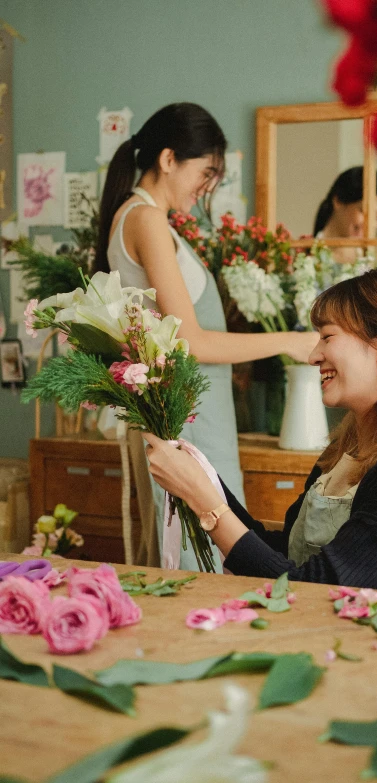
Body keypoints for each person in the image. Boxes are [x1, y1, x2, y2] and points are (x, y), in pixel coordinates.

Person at [144, 268, 377, 594]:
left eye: (327, 336)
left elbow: (315, 589)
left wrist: (208, 507)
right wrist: (198, 480)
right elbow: (289, 553)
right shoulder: (345, 451)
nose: (313, 355)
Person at [94, 102, 317, 570]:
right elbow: (190, 340)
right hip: (192, 419)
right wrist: (288, 341)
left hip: (194, 411)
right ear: (169, 158)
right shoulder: (146, 219)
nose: (209, 186)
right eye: (206, 171)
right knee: (211, 558)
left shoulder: (136, 216)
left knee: (212, 548)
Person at [314, 166, 377, 265]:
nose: (371, 224)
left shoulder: (376, 258)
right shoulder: (304, 254)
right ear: (338, 201)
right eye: (364, 211)